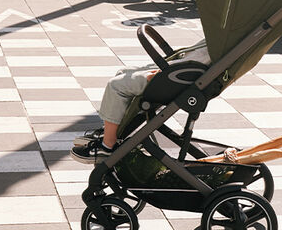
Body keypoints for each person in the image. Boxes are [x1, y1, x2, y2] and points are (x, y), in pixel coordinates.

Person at [71, 39, 210, 164]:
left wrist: (161, 75)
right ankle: (111, 131)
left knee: (116, 85)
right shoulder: (218, 42)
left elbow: (194, 63)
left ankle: (107, 146)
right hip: (178, 73)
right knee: (123, 72)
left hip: (175, 78)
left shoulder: (214, 43)